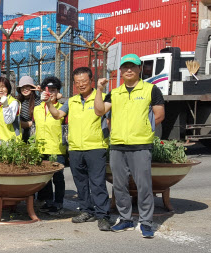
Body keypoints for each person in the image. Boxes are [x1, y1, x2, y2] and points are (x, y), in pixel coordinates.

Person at [94, 54, 165, 238]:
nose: (128, 70)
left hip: (140, 145)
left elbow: (159, 115)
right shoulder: (115, 93)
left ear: (139, 69)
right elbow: (99, 111)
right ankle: (125, 219)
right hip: (118, 146)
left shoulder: (151, 89)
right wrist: (99, 89)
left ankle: (146, 222)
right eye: (125, 67)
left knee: (144, 186)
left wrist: (144, 131)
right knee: (119, 186)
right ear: (120, 71)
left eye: (132, 67)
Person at [46, 67, 112, 231]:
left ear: (91, 80)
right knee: (81, 183)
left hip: (96, 147)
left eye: (84, 81)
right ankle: (86, 211)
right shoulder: (72, 101)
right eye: (77, 82)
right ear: (74, 84)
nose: (81, 85)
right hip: (75, 148)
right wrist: (48, 103)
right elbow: (57, 115)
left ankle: (103, 216)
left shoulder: (103, 97)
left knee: (97, 184)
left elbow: (102, 113)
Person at [34, 76, 67, 215]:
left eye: (54, 90)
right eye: (48, 89)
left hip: (57, 148)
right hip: (41, 148)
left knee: (58, 178)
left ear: (58, 92)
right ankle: (47, 201)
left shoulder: (62, 108)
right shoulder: (37, 109)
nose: (51, 93)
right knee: (44, 178)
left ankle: (58, 203)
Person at [16, 76, 40, 143]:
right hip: (21, 134)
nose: (25, 89)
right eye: (22, 87)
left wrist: (42, 91)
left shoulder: (39, 100)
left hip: (36, 134)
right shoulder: (18, 101)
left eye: (27, 86)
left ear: (32, 88)